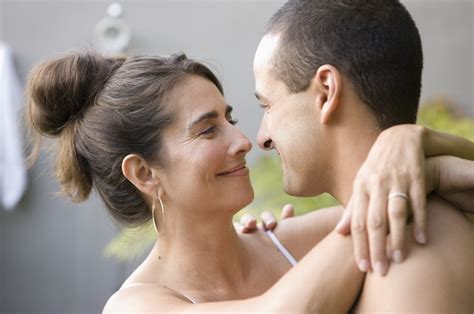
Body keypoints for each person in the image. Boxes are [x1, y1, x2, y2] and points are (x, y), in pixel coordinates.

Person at [252, 0, 473, 311]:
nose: (263, 138)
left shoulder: (406, 250)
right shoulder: (398, 239)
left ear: (326, 93)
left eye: (268, 105)